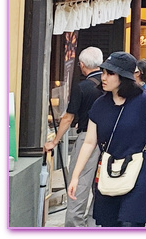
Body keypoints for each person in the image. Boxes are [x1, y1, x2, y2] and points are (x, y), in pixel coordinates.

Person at [67, 51, 146, 227]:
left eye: (110, 73)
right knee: (110, 223)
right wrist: (76, 176)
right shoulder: (99, 105)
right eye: (103, 72)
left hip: (141, 166)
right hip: (111, 167)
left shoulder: (143, 100)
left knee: (131, 222)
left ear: (123, 77)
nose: (104, 77)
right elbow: (89, 142)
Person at [43, 46, 103, 227]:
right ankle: (95, 224)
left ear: (82, 65)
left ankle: (75, 226)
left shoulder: (83, 87)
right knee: (100, 184)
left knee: (79, 183)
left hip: (88, 139)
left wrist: (54, 141)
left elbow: (68, 118)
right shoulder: (111, 83)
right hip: (109, 140)